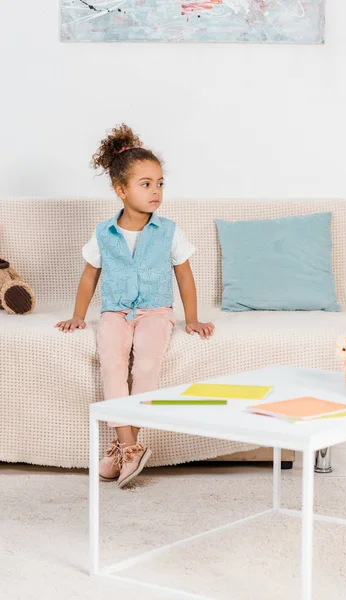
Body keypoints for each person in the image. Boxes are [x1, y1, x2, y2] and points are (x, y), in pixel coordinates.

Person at [55, 123, 215, 488]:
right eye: (146, 184)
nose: (156, 191)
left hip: (156, 311)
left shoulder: (170, 231)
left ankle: (121, 446)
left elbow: (185, 277)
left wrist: (192, 319)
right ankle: (130, 446)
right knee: (112, 363)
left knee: (145, 364)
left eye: (160, 183)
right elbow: (88, 277)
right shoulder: (103, 233)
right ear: (121, 190)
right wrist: (79, 316)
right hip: (114, 311)